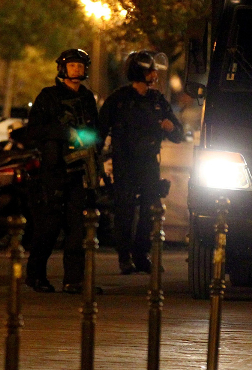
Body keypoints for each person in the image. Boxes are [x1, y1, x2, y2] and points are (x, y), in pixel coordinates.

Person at [99, 51, 184, 274]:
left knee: (150, 209)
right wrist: (96, 161)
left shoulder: (157, 100)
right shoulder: (118, 99)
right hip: (124, 162)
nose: (155, 74)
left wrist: (171, 127)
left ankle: (141, 254)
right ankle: (124, 257)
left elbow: (178, 134)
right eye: (150, 70)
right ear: (139, 72)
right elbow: (99, 131)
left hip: (149, 162)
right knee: (125, 210)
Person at [23, 49, 100, 293]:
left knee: (77, 228)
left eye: (80, 65)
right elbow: (34, 130)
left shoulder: (87, 98)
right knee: (48, 227)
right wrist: (64, 133)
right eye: (72, 65)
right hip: (54, 171)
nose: (76, 70)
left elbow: (95, 129)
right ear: (62, 68)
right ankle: (36, 276)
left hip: (80, 171)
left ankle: (74, 280)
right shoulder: (48, 97)